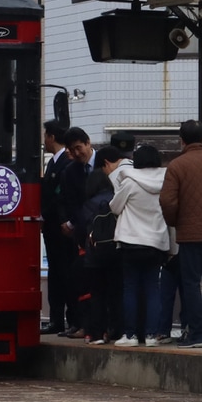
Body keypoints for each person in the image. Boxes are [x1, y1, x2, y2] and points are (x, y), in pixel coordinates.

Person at [159, 120, 202, 348]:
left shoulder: (177, 166)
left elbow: (167, 201)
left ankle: (196, 334)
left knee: (191, 282)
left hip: (190, 233)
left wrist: (176, 222)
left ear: (182, 140)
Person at [110, 145, 170, 347]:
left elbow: (114, 207)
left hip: (131, 241)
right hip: (155, 242)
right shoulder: (166, 182)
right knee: (153, 289)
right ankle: (152, 335)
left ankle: (131, 335)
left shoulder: (130, 182)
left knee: (130, 288)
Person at [74, 146, 128, 344]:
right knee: (117, 292)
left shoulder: (88, 204)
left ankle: (97, 333)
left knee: (97, 294)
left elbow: (80, 230)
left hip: (95, 255)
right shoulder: (115, 199)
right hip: (116, 251)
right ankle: (118, 330)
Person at [59, 126, 97, 339]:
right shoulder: (70, 172)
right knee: (82, 280)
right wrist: (71, 223)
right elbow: (69, 202)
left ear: (88, 143)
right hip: (82, 235)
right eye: (72, 151)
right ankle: (83, 324)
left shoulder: (105, 164)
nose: (76, 154)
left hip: (105, 234)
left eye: (78, 148)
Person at [40, 119, 78, 335]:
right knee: (55, 273)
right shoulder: (52, 162)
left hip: (62, 227)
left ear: (52, 137)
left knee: (66, 273)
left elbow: (59, 195)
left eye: (46, 135)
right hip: (51, 229)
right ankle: (56, 319)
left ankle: (70, 318)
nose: (44, 140)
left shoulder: (66, 161)